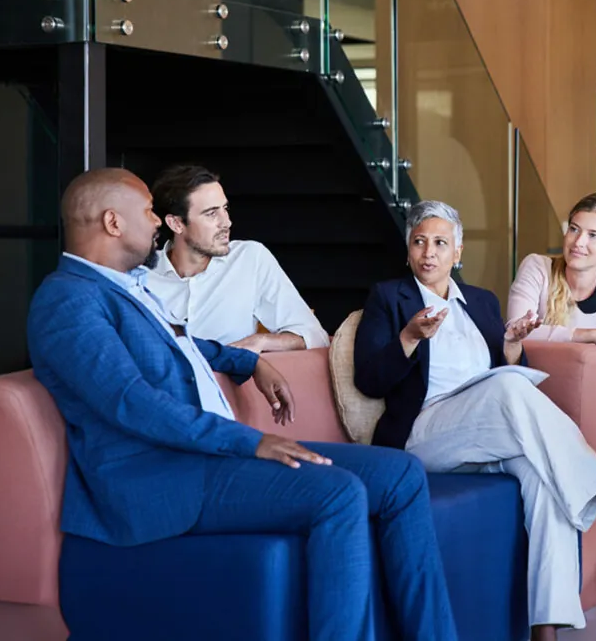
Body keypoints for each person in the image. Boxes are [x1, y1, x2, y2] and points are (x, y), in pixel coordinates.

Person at [27, 169, 457, 641]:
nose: (155, 222)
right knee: (338, 493)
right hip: (162, 477)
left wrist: (247, 361)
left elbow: (183, 346)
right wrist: (250, 442)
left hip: (207, 458)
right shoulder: (68, 300)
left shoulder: (128, 286)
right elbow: (132, 402)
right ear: (113, 222)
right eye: (148, 211)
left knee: (400, 474)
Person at [353, 200, 596, 641]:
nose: (429, 252)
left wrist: (509, 347)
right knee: (509, 389)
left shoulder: (481, 302)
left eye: (441, 243)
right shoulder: (389, 297)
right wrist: (409, 337)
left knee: (543, 477)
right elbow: (370, 379)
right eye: (419, 242)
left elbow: (509, 367)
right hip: (423, 433)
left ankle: (545, 628)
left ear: (458, 251)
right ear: (408, 249)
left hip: (479, 433)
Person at [146, 165, 329, 353]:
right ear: (176, 223)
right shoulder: (142, 276)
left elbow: (314, 335)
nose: (226, 222)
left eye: (225, 209)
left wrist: (261, 341)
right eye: (211, 213)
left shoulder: (250, 259)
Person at [506, 192, 596, 381]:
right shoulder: (537, 267)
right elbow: (516, 332)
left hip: (593, 387)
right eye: (574, 229)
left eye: (593, 235)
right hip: (537, 386)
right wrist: (595, 336)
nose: (578, 242)